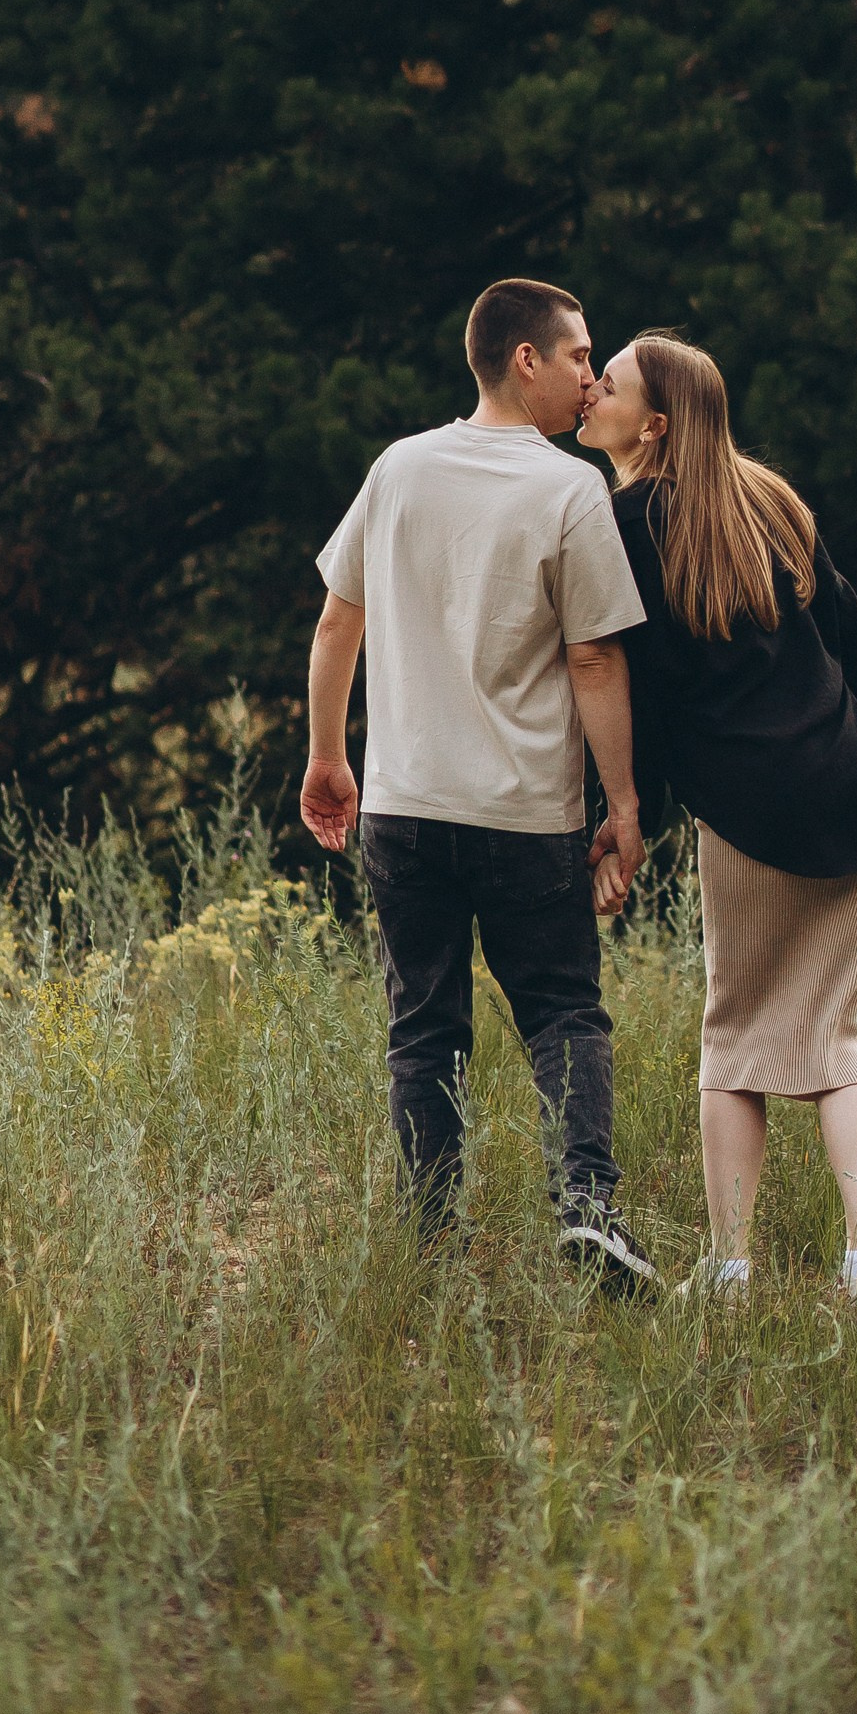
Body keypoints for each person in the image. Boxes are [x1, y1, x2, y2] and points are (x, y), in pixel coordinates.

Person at [300, 275, 658, 1289]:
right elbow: (595, 661)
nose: (593, 373)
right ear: (525, 358)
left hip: (405, 809)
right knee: (563, 1015)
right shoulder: (566, 490)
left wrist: (330, 759)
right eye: (581, 354)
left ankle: (430, 1240)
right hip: (524, 815)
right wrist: (622, 805)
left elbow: (338, 623)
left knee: (425, 1025)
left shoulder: (400, 469)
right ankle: (587, 1210)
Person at [578, 332, 857, 1312]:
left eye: (606, 385)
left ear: (651, 425)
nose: (588, 391)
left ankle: (729, 1273)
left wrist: (623, 813)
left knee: (735, 1042)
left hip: (755, 807)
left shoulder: (628, 527)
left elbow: (628, 689)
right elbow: (856, 646)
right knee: (835, 1042)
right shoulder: (771, 504)